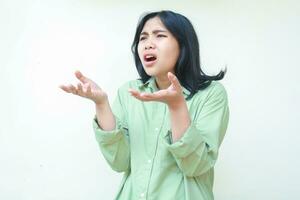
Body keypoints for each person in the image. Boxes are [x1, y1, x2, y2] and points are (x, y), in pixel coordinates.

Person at [59, 10, 229, 200]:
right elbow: (120, 162)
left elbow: (195, 166)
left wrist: (177, 106)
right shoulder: (128, 92)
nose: (148, 44)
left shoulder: (211, 94)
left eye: (160, 36)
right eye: (143, 38)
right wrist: (102, 104)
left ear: (183, 45)